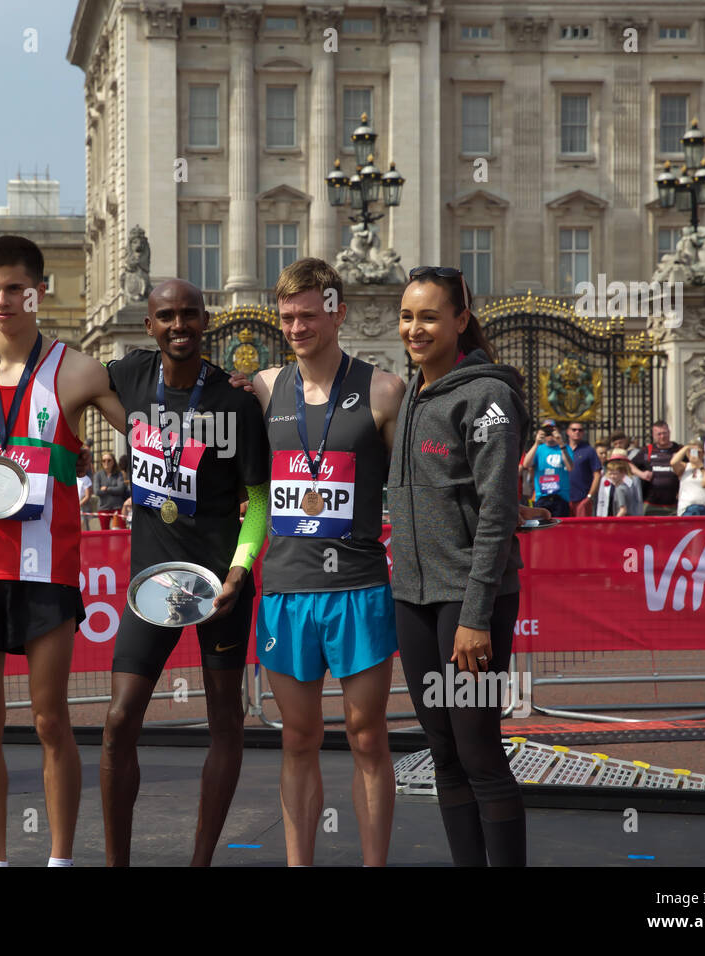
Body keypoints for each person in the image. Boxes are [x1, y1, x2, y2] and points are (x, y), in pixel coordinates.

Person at [0, 235, 126, 867]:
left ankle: (60, 858)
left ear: (39, 291)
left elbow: (150, 431)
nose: (3, 300)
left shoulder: (80, 368)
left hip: (47, 567)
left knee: (50, 720)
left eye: (16, 288)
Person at [98, 278, 271, 867]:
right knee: (120, 720)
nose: (180, 325)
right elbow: (53, 365)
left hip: (220, 585)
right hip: (154, 583)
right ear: (149, 325)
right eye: (166, 315)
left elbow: (259, 498)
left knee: (226, 719)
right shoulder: (128, 375)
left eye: (190, 315)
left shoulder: (236, 400)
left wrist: (241, 570)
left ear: (206, 320)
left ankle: (201, 860)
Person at [244, 258, 404, 867]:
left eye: (309, 314)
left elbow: (421, 481)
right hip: (286, 589)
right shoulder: (260, 389)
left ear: (337, 310)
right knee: (298, 739)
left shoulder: (385, 389)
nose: (296, 326)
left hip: (359, 588)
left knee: (367, 737)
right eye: (286, 316)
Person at [389, 265, 528, 867]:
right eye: (406, 316)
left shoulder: (489, 397)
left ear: (460, 321)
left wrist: (474, 616)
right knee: (441, 750)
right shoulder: (412, 392)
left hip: (471, 603)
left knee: (479, 751)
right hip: (414, 600)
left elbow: (498, 514)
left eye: (428, 316)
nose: (414, 328)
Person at [519, 420, 570, 518]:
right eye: (547, 431)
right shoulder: (539, 449)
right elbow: (526, 464)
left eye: (552, 430)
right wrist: (536, 443)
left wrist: (561, 443)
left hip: (561, 497)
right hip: (542, 497)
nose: (549, 434)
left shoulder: (565, 448)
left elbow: (570, 467)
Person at [630, 421, 682, 517]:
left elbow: (693, 465)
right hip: (651, 504)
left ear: (669, 432)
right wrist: (641, 474)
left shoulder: (679, 449)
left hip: (674, 504)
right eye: (659, 434)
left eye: (665, 433)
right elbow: (628, 465)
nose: (662, 436)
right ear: (653, 435)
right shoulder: (646, 451)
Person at [563, 421, 602, 516]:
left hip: (582, 499)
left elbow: (597, 475)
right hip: (563, 499)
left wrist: (589, 497)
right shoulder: (562, 449)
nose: (577, 432)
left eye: (580, 430)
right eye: (574, 430)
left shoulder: (589, 450)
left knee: (583, 529)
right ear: (568, 432)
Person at [671, 442, 705, 516]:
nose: (695, 454)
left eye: (698, 452)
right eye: (692, 451)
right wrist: (686, 448)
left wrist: (700, 466)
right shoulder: (684, 467)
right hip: (686, 508)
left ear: (703, 453)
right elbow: (673, 462)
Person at [92, 451, 128, 529]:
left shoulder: (119, 474)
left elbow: (121, 489)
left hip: (117, 507)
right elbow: (97, 491)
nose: (106, 462)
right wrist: (114, 489)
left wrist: (107, 489)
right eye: (104, 460)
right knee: (104, 533)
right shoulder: (98, 475)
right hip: (103, 508)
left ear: (113, 462)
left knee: (121, 531)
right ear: (101, 462)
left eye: (109, 460)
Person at [594, 449, 634, 517]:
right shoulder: (605, 479)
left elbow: (635, 500)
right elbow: (601, 500)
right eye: (614, 461)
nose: (616, 463)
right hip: (609, 512)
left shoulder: (631, 480)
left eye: (619, 461)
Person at [76, 445, 96, 530]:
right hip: (75, 507)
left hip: (83, 508)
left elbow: (88, 496)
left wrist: (78, 504)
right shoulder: (73, 477)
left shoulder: (86, 479)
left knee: (84, 527)